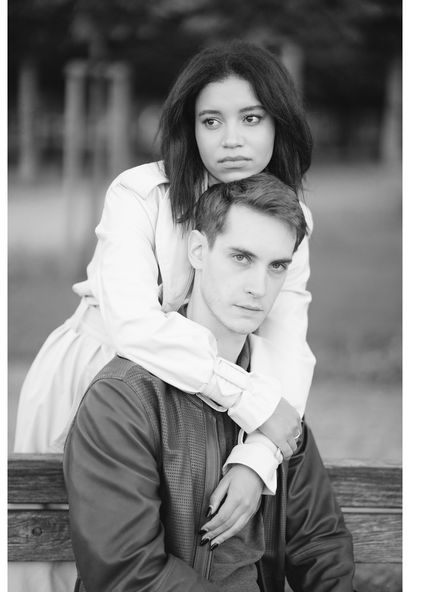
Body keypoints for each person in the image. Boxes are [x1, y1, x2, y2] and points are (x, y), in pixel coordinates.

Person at [12, 40, 315, 591]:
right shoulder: (139, 193)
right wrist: (251, 400)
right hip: (100, 375)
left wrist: (258, 456)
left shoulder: (291, 217)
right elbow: (135, 327)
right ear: (189, 127)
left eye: (251, 118)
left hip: (198, 397)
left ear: (279, 124)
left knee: (181, 546)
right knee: (54, 559)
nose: (231, 139)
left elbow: (286, 343)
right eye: (210, 120)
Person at [64, 173, 355, 591]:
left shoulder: (276, 393)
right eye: (241, 257)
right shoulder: (124, 399)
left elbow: (319, 543)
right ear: (199, 251)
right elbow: (127, 575)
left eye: (276, 267)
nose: (258, 287)